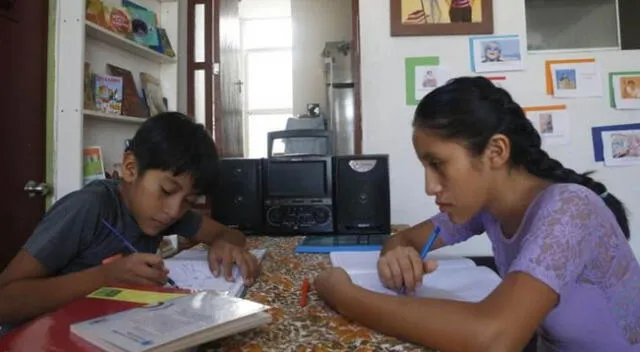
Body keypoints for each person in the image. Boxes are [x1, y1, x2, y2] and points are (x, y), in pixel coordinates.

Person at [314, 77, 640, 351]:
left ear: (496, 152)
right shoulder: (488, 209)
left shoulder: (570, 209)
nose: (430, 186)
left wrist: (344, 294)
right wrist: (398, 253)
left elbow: (494, 336)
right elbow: (406, 238)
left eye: (438, 164)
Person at [0, 112, 260, 328]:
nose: (174, 210)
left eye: (189, 201)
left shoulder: (163, 212)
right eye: (167, 191)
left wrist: (221, 243)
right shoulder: (88, 208)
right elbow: (5, 301)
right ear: (130, 169)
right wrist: (106, 277)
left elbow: (232, 235)